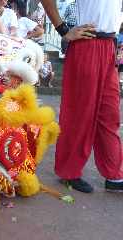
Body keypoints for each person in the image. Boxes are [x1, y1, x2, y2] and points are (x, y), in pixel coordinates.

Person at [41, 0, 123, 193]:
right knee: (80, 113)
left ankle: (114, 175)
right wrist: (63, 30)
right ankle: (68, 172)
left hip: (109, 45)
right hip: (87, 44)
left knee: (109, 115)